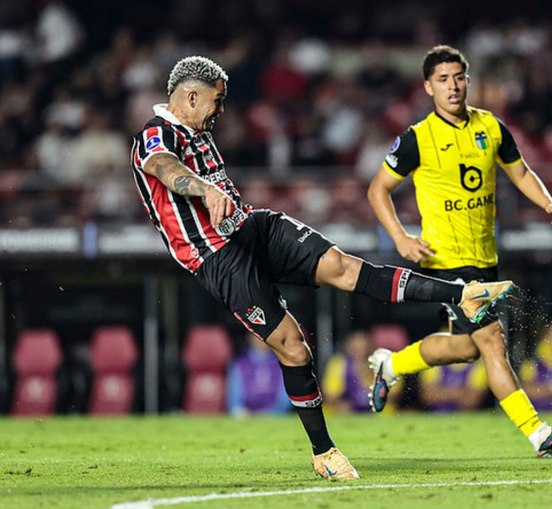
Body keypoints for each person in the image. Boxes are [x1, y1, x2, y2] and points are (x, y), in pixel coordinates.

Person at [129, 55, 514, 481]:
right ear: (191, 96)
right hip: (218, 256)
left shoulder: (199, 131)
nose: (221, 112)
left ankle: (462, 292)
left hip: (253, 227)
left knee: (345, 268)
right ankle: (324, 452)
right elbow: (163, 167)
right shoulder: (155, 133)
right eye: (217, 103)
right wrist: (201, 188)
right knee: (294, 347)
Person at [365, 45, 552, 458]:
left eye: (458, 77)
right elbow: (377, 191)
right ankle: (537, 435)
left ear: (468, 80)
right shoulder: (417, 139)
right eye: (442, 79)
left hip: (485, 259)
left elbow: (521, 172)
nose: (453, 86)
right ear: (428, 87)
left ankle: (392, 366)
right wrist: (402, 238)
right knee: (493, 341)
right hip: (446, 262)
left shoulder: (491, 127)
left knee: (465, 348)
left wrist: (548, 202)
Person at [323, 330, 400, 413]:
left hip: (377, 410)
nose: (361, 351)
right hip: (350, 411)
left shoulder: (384, 363)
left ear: (371, 346)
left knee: (388, 410)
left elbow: (395, 396)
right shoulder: (340, 364)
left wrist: (370, 378)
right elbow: (330, 396)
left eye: (364, 347)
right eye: (356, 348)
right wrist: (342, 403)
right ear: (348, 347)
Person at [227, 332, 292, 416]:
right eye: (257, 337)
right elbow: (234, 399)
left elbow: (284, 400)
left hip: (275, 416)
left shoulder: (281, 365)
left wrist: (270, 413)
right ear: (249, 338)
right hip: (245, 416)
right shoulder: (239, 364)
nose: (261, 341)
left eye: (264, 337)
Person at [418, 360, 489, 412]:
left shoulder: (478, 365)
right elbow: (427, 396)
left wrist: (441, 392)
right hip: (435, 415)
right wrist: (460, 393)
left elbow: (471, 401)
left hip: (465, 417)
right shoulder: (434, 362)